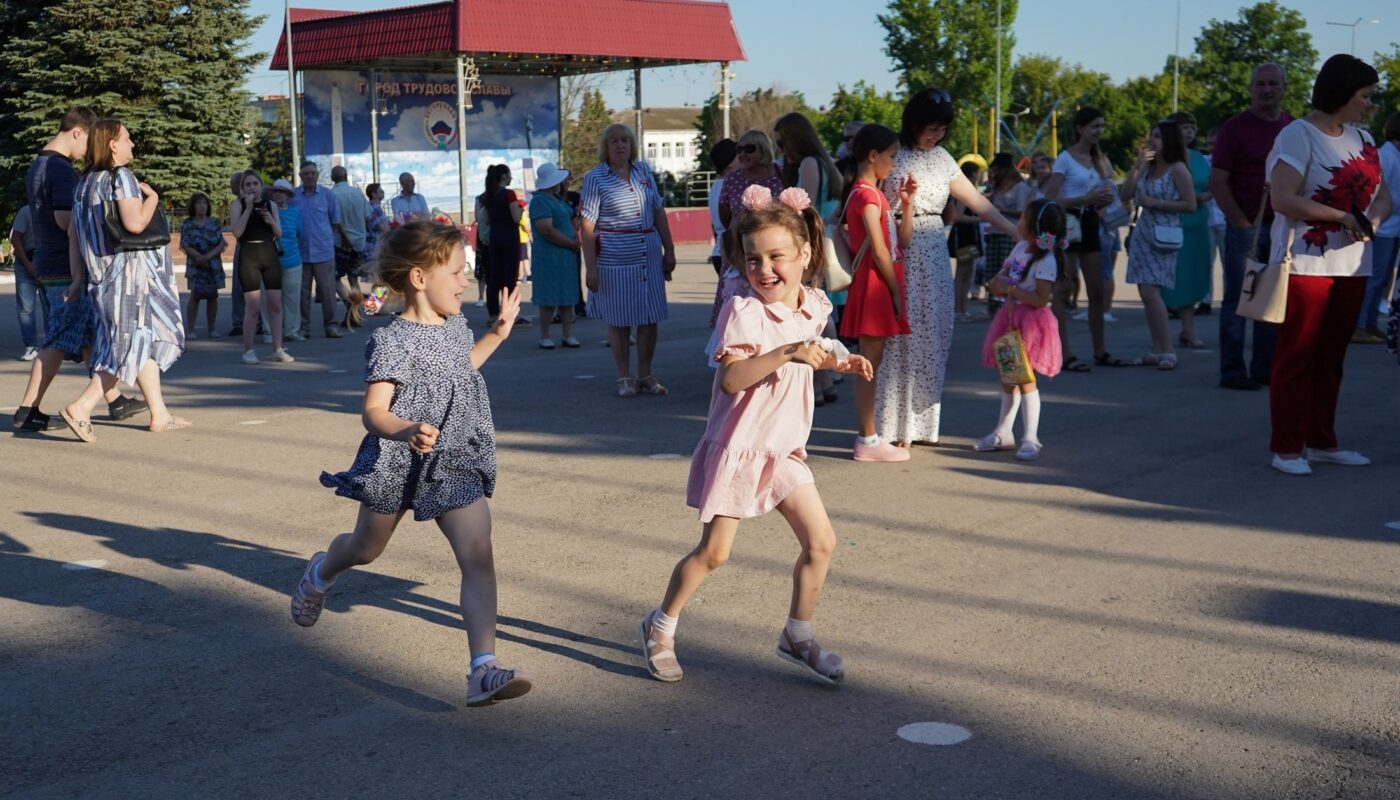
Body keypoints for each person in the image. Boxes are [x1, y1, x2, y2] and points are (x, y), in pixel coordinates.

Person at [290, 221, 532, 706]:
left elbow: (461, 370)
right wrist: (404, 429)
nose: (466, 282)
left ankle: (482, 670)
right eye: (458, 273)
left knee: (478, 554)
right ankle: (320, 572)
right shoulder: (392, 341)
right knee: (365, 548)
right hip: (399, 459)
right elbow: (373, 412)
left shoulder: (456, 325)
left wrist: (497, 335)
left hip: (454, 458)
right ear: (420, 278)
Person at [637, 188, 873, 685]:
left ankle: (798, 634)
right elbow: (732, 379)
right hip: (740, 448)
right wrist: (788, 353)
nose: (765, 269)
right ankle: (659, 626)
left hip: (782, 449)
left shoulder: (812, 303)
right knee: (715, 554)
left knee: (821, 542)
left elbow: (817, 342)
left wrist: (839, 358)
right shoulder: (742, 311)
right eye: (753, 259)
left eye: (776, 257)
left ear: (805, 254)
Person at [1264, 55, 1389, 476]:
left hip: (1353, 264)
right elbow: (1282, 197)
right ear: (1342, 93)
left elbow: (1384, 197)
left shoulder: (1364, 139)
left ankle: (1321, 440)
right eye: (1365, 96)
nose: (1370, 104)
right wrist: (1339, 218)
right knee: (1297, 355)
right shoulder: (1298, 135)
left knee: (1332, 357)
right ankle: (1286, 447)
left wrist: (1370, 221)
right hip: (1304, 263)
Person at [880, 88, 1019, 447]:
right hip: (898, 246)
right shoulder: (892, 151)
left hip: (933, 247)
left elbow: (978, 202)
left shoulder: (942, 158)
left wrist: (1016, 230)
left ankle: (923, 426)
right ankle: (895, 427)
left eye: (942, 129)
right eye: (931, 128)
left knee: (934, 332)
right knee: (900, 335)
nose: (936, 135)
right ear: (913, 123)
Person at [13, 106, 146, 434]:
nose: (90, 152)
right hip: (62, 264)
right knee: (59, 336)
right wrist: (100, 224)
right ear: (77, 133)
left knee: (87, 333)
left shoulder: (39, 163)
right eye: (89, 142)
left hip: (50, 260)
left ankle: (114, 400)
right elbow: (65, 220)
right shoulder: (59, 169)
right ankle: (27, 409)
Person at [59, 119, 187, 441]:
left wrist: (77, 279)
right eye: (127, 139)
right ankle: (82, 407)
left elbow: (74, 236)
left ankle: (160, 414)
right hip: (129, 279)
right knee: (124, 347)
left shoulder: (84, 183)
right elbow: (134, 224)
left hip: (101, 279)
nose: (132, 144)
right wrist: (153, 199)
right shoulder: (121, 179)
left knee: (137, 342)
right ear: (113, 145)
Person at [1210, 63, 1294, 391]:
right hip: (1246, 227)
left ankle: (1264, 369)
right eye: (1260, 84)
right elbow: (1219, 182)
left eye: (1273, 83)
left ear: (1285, 87)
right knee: (1237, 299)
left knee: (1271, 299)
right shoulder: (1235, 129)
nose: (1267, 89)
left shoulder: (1291, 128)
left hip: (1280, 228)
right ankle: (1232, 371)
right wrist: (1240, 222)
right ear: (1251, 88)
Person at [580, 123, 678, 397]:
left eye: (625, 140)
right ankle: (624, 376)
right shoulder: (595, 177)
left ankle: (646, 374)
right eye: (614, 141)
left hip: (648, 254)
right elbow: (587, 225)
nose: (621, 145)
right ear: (606, 147)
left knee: (649, 316)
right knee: (620, 319)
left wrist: (669, 250)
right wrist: (591, 267)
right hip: (614, 258)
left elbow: (658, 210)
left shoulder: (644, 171)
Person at [838, 124, 913, 461]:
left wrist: (908, 205)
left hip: (880, 280)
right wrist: (896, 294)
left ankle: (869, 437)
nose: (895, 163)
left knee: (872, 361)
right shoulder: (867, 196)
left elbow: (902, 242)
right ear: (873, 155)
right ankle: (867, 439)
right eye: (892, 156)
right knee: (868, 363)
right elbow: (881, 252)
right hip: (875, 283)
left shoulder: (875, 194)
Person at [975, 199, 1066, 460]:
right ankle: (1003, 432)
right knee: (1009, 379)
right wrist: (998, 285)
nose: (1019, 221)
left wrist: (1011, 289)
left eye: (1024, 217)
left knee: (1025, 380)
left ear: (1035, 226)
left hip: (1031, 325)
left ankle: (1031, 437)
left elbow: (1040, 299)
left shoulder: (1046, 259)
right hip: (1010, 319)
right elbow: (999, 280)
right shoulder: (1021, 248)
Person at [773, 111, 844, 404]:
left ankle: (824, 375)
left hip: (811, 241)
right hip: (822, 239)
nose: (780, 147)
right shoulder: (823, 162)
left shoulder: (810, 164)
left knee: (811, 310)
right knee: (819, 308)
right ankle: (827, 378)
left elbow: (803, 208)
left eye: (781, 140)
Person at [1043, 106, 1119, 371]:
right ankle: (1064, 353)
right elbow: (1051, 199)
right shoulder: (1065, 158)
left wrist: (1104, 202)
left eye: (1102, 126)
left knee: (1096, 289)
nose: (1099, 131)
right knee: (1062, 288)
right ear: (1080, 129)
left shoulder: (1100, 160)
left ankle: (1100, 350)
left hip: (1090, 221)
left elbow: (1108, 189)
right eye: (1094, 126)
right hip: (1069, 221)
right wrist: (1084, 199)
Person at [1120, 119, 1197, 369]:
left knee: (1152, 292)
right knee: (1145, 292)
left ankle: (1168, 350)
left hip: (1164, 234)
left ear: (1170, 141)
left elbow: (1190, 204)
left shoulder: (1177, 169)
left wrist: (1157, 203)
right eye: (1151, 135)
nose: (1152, 140)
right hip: (1143, 234)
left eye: (1158, 136)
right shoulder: (1148, 167)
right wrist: (1137, 166)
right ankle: (1156, 348)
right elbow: (1125, 195)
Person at [712, 129, 784, 329]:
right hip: (740, 252)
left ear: (764, 150)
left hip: (774, 249)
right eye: (739, 149)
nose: (742, 154)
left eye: (749, 149)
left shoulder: (780, 174)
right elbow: (725, 215)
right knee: (738, 310)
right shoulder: (732, 179)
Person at [1161, 112, 1214, 349]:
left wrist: (1205, 196)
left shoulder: (1199, 158)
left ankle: (1188, 330)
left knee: (1194, 276)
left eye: (1192, 126)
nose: (1190, 131)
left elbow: (1214, 184)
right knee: (1170, 278)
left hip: (1198, 224)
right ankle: (1160, 335)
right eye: (1184, 127)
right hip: (1171, 225)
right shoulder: (1163, 158)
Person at [230, 172, 291, 364]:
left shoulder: (270, 205)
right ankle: (248, 350)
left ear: (261, 186)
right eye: (248, 184)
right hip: (249, 256)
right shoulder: (238, 205)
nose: (252, 187)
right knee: (253, 307)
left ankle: (278, 349)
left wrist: (270, 220)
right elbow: (237, 232)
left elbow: (278, 233)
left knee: (275, 304)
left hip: (269, 255)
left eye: (255, 183)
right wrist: (248, 209)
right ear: (242, 188)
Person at [527, 162, 581, 349]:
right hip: (550, 255)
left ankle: (567, 334)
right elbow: (546, 230)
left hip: (565, 255)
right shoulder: (540, 201)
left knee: (567, 295)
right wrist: (571, 243)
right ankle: (545, 335)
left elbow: (572, 219)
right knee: (548, 296)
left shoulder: (559, 199)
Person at [1357, 112, 1400, 342]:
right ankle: (1362, 324)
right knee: (1374, 279)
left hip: (1391, 228)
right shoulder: (1386, 157)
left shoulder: (1395, 156)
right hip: (1381, 228)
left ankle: (1370, 322)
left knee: (1383, 279)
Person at [291, 160, 346, 339]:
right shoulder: (293, 196)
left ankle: (331, 326)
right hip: (301, 253)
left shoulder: (328, 196)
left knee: (328, 291)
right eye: (306, 173)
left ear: (317, 175)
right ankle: (304, 328)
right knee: (302, 294)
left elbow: (335, 222)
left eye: (312, 173)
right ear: (300, 176)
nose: (309, 176)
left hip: (324, 252)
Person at [983, 152, 1035, 312]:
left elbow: (1022, 211)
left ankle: (1007, 306)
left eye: (997, 170)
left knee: (1008, 269)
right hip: (994, 233)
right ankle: (993, 305)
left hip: (1010, 233)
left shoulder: (1020, 187)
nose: (994, 173)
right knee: (992, 270)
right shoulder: (997, 186)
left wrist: (1000, 211)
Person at [178, 192, 226, 339]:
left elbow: (221, 243)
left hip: (213, 264)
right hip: (195, 264)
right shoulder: (187, 223)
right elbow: (184, 244)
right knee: (195, 296)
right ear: (193, 206)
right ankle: (191, 330)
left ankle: (212, 329)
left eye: (204, 203)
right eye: (199, 203)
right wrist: (198, 257)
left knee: (213, 296)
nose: (202, 206)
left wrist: (208, 257)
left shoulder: (215, 222)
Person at [331, 165, 370, 328]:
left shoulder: (332, 195)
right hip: (359, 242)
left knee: (334, 277)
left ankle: (351, 307)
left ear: (333, 178)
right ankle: (355, 311)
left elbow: (334, 220)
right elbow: (367, 217)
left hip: (340, 242)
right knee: (354, 278)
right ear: (346, 176)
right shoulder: (357, 194)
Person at [484, 164, 524, 325]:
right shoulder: (509, 194)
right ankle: (510, 312)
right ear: (504, 177)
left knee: (494, 277)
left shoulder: (489, 195)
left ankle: (493, 313)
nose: (511, 177)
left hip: (494, 238)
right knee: (510, 277)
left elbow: (486, 220)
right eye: (510, 174)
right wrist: (521, 210)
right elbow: (516, 218)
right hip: (509, 238)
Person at [949, 160, 987, 321]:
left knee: (967, 271)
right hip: (964, 235)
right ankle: (959, 310)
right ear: (971, 174)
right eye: (977, 173)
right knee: (962, 273)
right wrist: (979, 218)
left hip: (968, 235)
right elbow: (959, 215)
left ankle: (963, 309)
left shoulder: (967, 190)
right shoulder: (963, 192)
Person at [9, 204, 47, 360]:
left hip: (47, 263)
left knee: (51, 306)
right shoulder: (25, 211)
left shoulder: (53, 210)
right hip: (26, 261)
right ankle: (31, 346)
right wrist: (27, 264)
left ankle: (53, 345)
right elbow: (15, 238)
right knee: (26, 307)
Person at [269, 179, 303, 347]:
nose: (278, 194)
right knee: (269, 300)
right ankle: (269, 331)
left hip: (292, 260)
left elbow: (299, 233)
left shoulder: (296, 212)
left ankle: (291, 330)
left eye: (282, 192)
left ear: (289, 195)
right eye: (275, 191)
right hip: (270, 261)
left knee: (292, 298)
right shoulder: (267, 211)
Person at [707, 138, 738, 277]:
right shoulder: (729, 186)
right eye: (738, 154)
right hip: (728, 252)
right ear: (730, 162)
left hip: (719, 251)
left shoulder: (716, 186)